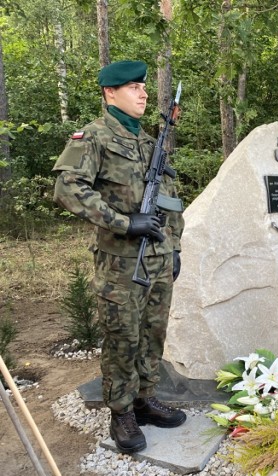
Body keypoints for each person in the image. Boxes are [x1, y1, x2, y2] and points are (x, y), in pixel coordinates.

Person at [52, 60, 186, 454]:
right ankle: (121, 410)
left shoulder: (148, 141)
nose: (143, 93)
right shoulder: (93, 137)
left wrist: (175, 246)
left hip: (159, 258)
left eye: (144, 87)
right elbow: (67, 189)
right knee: (122, 338)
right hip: (121, 263)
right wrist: (124, 222)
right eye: (133, 87)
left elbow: (169, 201)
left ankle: (145, 399)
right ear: (110, 93)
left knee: (152, 334)